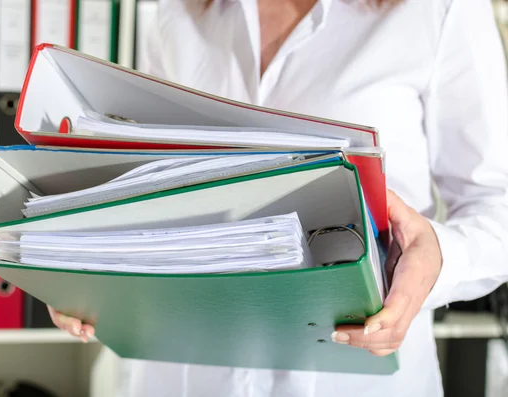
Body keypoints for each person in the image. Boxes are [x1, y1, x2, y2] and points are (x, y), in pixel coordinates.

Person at [48, 0, 508, 395]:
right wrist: (83, 261)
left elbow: (497, 204)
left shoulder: (439, 10)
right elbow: (152, 184)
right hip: (179, 376)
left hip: (355, 379)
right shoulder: (180, 13)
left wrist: (436, 261)